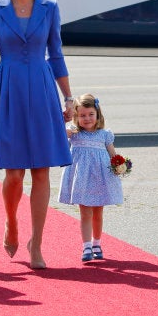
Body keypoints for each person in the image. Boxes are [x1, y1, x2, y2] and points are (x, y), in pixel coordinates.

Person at [0, 0, 74, 269]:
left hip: (43, 85)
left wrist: (69, 97)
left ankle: (37, 243)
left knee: (41, 170)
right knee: (14, 173)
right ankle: (11, 221)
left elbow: (56, 54)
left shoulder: (50, 7)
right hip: (9, 90)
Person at [57, 94, 124, 262]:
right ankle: (86, 246)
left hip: (100, 179)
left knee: (98, 213)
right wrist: (65, 117)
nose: (87, 119)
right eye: (82, 115)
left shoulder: (104, 135)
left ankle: (97, 243)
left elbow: (113, 155)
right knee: (85, 213)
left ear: (97, 114)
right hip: (82, 180)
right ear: (76, 117)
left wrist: (119, 166)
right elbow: (56, 129)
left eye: (90, 114)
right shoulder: (74, 134)